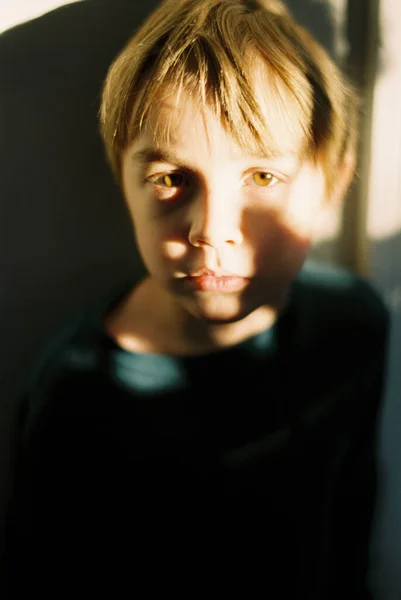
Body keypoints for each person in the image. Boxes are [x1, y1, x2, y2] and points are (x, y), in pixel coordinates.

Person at [3, 0, 389, 598]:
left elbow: (349, 520)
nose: (211, 230)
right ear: (123, 182)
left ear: (335, 182)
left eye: (262, 176)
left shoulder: (358, 326)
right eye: (169, 178)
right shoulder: (77, 396)